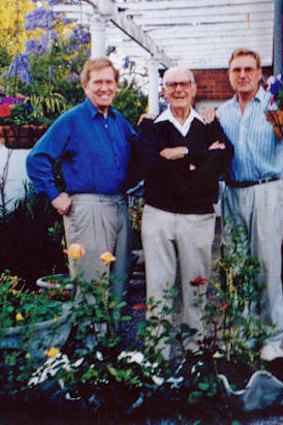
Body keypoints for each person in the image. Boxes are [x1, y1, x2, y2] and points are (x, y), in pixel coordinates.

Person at [137, 66, 233, 357]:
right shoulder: (151, 127)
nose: (178, 90)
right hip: (158, 216)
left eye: (183, 84)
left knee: (197, 285)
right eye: (171, 85)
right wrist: (200, 161)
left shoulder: (209, 125)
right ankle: (158, 355)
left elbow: (223, 160)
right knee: (159, 287)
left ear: (193, 89)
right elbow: (149, 165)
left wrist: (185, 153)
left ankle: (196, 350)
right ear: (163, 90)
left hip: (198, 218)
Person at [26, 57, 136, 303]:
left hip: (119, 206)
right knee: (92, 285)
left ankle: (112, 340)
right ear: (85, 86)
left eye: (109, 81)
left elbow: (141, 152)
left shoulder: (119, 122)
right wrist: (55, 196)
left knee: (119, 283)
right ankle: (90, 342)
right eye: (97, 82)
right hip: (89, 210)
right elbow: (37, 158)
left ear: (116, 86)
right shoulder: (72, 120)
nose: (104, 88)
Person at [205, 48, 283, 361]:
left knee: (267, 264)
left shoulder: (275, 106)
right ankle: (243, 333)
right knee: (236, 266)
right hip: (233, 193)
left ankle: (272, 337)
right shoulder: (222, 112)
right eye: (236, 70)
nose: (242, 75)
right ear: (229, 75)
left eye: (248, 69)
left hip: (267, 191)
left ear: (259, 74)